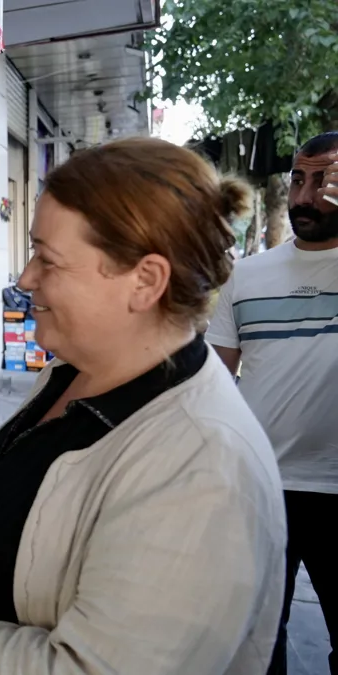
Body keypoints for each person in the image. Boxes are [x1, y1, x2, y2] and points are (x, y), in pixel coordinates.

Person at [0, 138, 287, 674]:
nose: (26, 279)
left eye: (47, 260)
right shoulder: (71, 372)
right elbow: (35, 521)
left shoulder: (204, 463)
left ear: (144, 281)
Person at [205, 131, 338, 675]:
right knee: (256, 646)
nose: (305, 197)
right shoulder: (248, 276)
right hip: (260, 488)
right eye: (298, 180)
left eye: (324, 181)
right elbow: (212, 381)